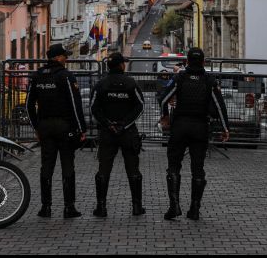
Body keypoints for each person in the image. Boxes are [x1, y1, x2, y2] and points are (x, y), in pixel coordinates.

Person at [158, 47, 230, 221]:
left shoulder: (180, 77)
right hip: (200, 127)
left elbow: (164, 99)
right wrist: (225, 128)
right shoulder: (209, 80)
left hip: (180, 126)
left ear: (187, 62)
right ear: (203, 62)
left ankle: (174, 206)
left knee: (174, 165)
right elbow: (219, 106)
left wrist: (165, 116)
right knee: (198, 168)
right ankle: (195, 209)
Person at [26, 43, 87, 219]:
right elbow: (75, 104)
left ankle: (45, 207)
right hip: (64, 127)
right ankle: (69, 207)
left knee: (46, 166)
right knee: (67, 165)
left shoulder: (36, 76)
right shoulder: (66, 76)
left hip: (44, 127)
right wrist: (81, 128)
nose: (66, 59)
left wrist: (36, 127)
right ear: (58, 58)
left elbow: (29, 105)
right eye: (64, 56)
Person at [90, 52, 146, 217]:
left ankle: (101, 207)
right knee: (133, 169)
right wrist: (125, 124)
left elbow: (94, 108)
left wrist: (108, 124)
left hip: (107, 133)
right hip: (128, 133)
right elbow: (140, 106)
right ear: (121, 65)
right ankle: (137, 207)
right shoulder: (130, 83)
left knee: (103, 170)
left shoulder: (101, 84)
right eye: (124, 63)